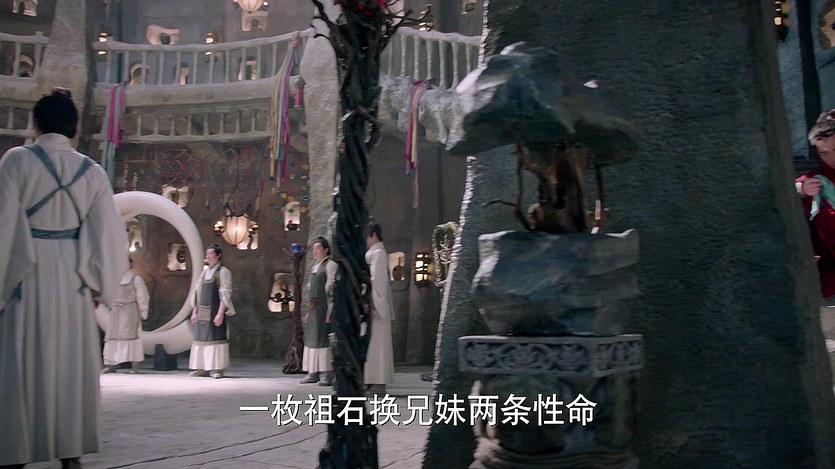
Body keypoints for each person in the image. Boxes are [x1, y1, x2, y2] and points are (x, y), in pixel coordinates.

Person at [0, 89, 129, 469]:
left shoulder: (17, 161)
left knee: (22, 364)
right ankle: (70, 453)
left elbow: (3, 225)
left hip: (26, 275)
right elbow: (109, 235)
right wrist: (98, 283)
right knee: (70, 364)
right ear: (73, 128)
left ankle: (16, 452)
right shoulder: (92, 172)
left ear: (36, 125)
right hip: (74, 281)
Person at [797, 109, 835, 298]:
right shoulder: (819, 178)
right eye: (824, 153)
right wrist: (801, 189)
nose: (832, 158)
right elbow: (788, 191)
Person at [189, 244, 236, 379]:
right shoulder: (204, 273)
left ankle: (217, 369)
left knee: (215, 339)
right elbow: (197, 292)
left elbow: (225, 294)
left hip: (215, 310)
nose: (208, 256)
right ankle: (202, 368)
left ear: (218, 255)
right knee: (201, 339)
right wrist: (194, 311)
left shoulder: (223, 272)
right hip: (202, 312)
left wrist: (220, 313)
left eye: (211, 254)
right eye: (207, 254)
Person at [102, 258, 150, 374]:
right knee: (113, 336)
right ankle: (111, 364)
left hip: (130, 311)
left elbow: (143, 297)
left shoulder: (135, 279)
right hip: (115, 310)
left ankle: (135, 364)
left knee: (130, 336)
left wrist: (143, 312)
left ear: (130, 265)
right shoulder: (112, 280)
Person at [300, 237, 337, 386]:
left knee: (323, 340)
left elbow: (331, 289)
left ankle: (327, 374)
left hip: (324, 308)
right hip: (314, 309)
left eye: (318, 248)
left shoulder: (330, 265)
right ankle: (312, 372)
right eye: (314, 248)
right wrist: (309, 312)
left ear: (326, 250)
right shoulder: (315, 266)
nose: (315, 251)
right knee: (312, 340)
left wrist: (330, 310)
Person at [364, 222, 395, 394]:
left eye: (367, 235)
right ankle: (369, 379)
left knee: (378, 345)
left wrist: (374, 303)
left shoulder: (379, 253)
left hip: (376, 306)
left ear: (373, 234)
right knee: (371, 345)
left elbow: (377, 281)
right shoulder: (373, 253)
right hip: (370, 303)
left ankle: (379, 382)